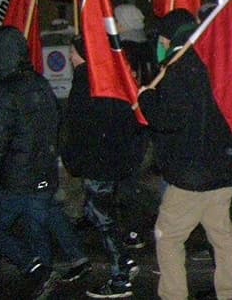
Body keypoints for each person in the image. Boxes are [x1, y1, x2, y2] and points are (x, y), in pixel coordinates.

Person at [138, 10, 232, 300]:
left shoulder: (180, 70)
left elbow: (168, 119)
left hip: (191, 174)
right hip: (224, 170)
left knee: (168, 236)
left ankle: (173, 294)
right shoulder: (220, 63)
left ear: (170, 38)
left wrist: (146, 98)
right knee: (222, 236)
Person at [0, 27, 89, 297]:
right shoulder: (40, 83)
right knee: (37, 224)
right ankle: (40, 271)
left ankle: (32, 267)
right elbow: (53, 125)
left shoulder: (3, 93)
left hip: (13, 176)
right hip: (42, 171)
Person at [62, 36, 147, 298]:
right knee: (102, 213)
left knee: (102, 217)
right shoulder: (110, 77)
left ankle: (120, 276)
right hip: (112, 159)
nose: (70, 57)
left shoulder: (84, 80)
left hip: (97, 161)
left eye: (73, 52)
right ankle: (125, 261)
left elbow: (78, 127)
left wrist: (73, 159)